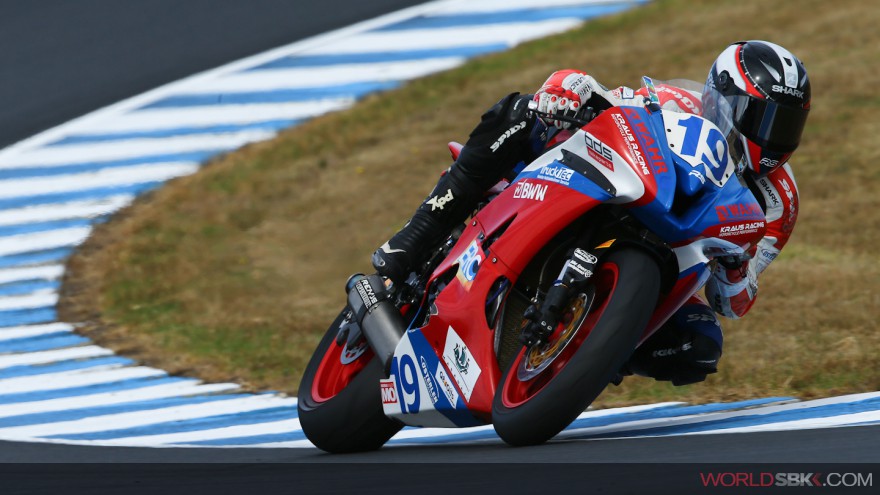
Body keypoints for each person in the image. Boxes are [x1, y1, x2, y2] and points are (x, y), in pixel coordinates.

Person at [371, 40, 811, 386]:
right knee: (525, 114)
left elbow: (733, 305)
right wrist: (571, 88)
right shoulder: (677, 100)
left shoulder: (779, 201)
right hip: (605, 190)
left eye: (787, 125)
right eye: (764, 119)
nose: (773, 138)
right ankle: (412, 240)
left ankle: (585, 357)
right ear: (723, 98)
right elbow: (607, 106)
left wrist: (736, 267)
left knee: (698, 344)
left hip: (665, 260)